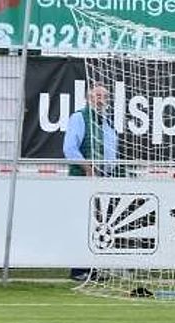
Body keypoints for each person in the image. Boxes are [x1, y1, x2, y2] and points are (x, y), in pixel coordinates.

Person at [62, 83, 120, 282]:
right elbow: (70, 148)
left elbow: (112, 152)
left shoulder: (107, 122)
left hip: (103, 181)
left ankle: (93, 268)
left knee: (99, 224)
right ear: (88, 98)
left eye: (105, 96)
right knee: (82, 223)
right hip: (83, 179)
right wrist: (88, 169)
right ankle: (78, 269)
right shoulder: (79, 117)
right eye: (97, 95)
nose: (101, 100)